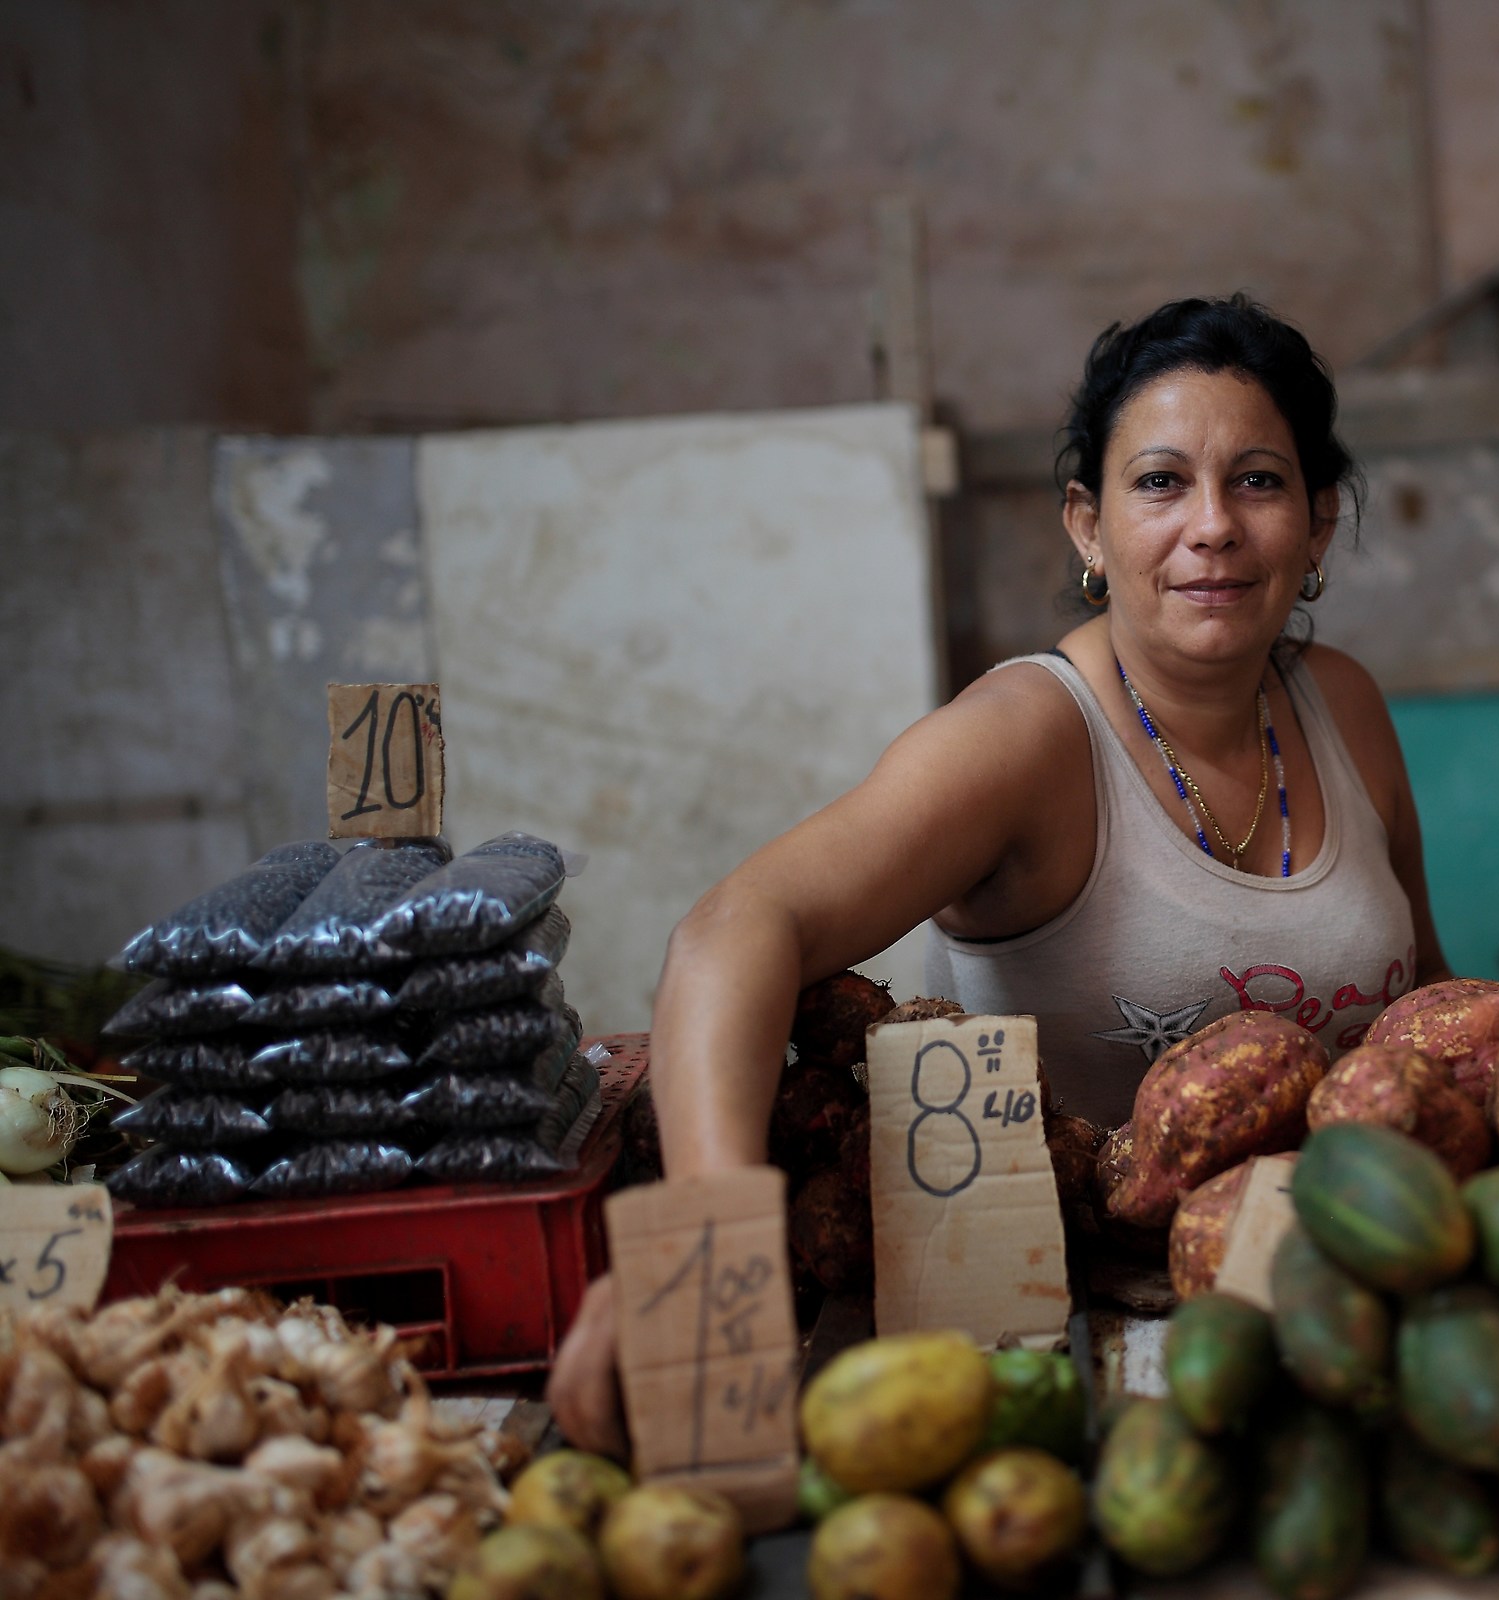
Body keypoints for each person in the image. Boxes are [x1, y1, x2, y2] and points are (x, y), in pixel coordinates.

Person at [547, 294, 1449, 1453]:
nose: (1213, 524)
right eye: (1162, 481)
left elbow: (1428, 993)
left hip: (1330, 1325)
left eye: (1261, 482)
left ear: (1319, 524)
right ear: (1088, 524)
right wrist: (707, 1242)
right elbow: (738, 925)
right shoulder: (1028, 736)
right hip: (1037, 1360)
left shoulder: (1349, 709)